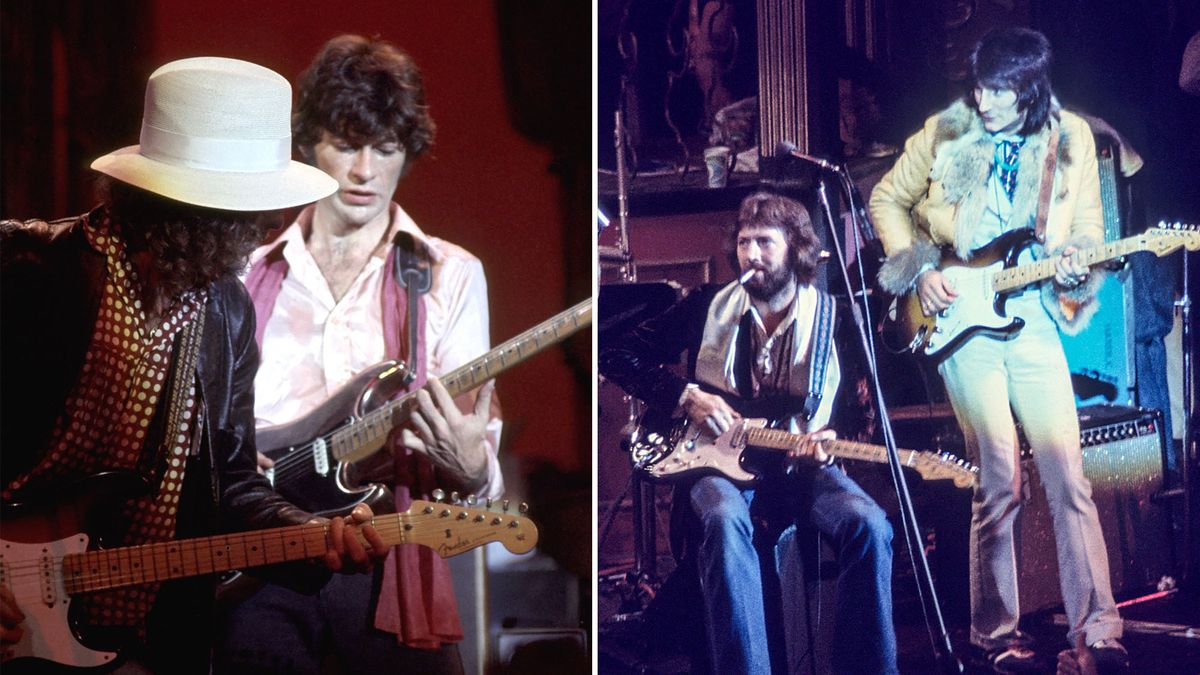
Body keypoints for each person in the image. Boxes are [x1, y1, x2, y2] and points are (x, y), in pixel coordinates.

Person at [0, 57, 386, 674]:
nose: (253, 232)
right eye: (237, 212)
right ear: (169, 204)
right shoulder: (29, 274)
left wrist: (311, 535)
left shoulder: (226, 310)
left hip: (141, 638)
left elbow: (230, 482)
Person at [215, 35, 502, 675]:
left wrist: (473, 466)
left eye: (386, 148)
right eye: (345, 146)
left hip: (388, 568)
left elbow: (479, 481)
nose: (365, 171)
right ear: (308, 145)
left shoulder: (449, 274)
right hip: (259, 569)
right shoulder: (244, 273)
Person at [869, 27, 1128, 673]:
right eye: (979, 86)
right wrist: (918, 269)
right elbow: (886, 199)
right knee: (999, 476)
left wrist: (1074, 262)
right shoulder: (946, 128)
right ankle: (997, 634)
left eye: (1000, 91)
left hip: (1031, 316)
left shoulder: (1071, 138)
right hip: (959, 318)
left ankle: (1098, 630)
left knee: (1069, 472)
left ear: (1031, 89)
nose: (983, 100)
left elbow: (1089, 230)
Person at [600, 191, 897, 674]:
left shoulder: (835, 317)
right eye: (743, 242)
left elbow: (859, 417)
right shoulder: (705, 306)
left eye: (764, 242)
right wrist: (684, 397)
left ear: (796, 249)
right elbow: (612, 352)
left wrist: (829, 442)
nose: (750, 255)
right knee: (723, 520)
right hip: (714, 463)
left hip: (799, 468)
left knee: (870, 525)